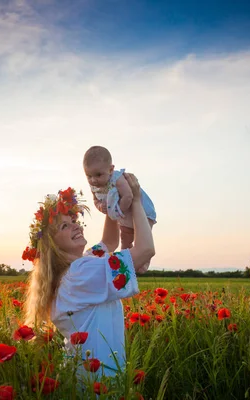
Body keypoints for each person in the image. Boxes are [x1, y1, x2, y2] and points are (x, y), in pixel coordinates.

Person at [22, 174, 155, 379]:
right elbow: (145, 250)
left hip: (87, 377)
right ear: (52, 246)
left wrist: (111, 199)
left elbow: (109, 242)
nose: (76, 225)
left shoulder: (77, 268)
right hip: (96, 382)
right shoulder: (80, 273)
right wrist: (136, 201)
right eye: (64, 226)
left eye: (73, 220)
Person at [83, 145, 157, 250]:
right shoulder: (95, 186)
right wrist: (100, 206)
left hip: (142, 212)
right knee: (125, 240)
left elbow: (128, 196)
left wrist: (117, 211)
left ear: (111, 169)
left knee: (142, 242)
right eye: (89, 176)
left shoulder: (117, 178)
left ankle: (143, 266)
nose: (93, 180)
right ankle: (128, 262)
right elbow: (95, 200)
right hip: (124, 217)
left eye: (98, 175)